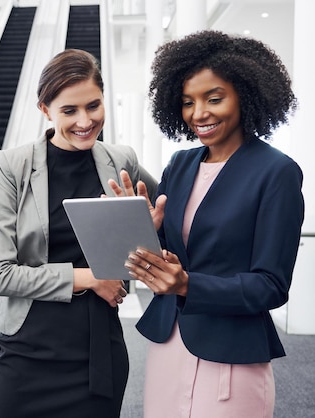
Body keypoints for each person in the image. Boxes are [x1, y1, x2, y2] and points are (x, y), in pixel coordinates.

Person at [121, 30, 304, 417]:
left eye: (214, 98)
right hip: (170, 340)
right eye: (187, 102)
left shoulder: (276, 172)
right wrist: (140, 228)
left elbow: (271, 285)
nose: (198, 113)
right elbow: (173, 254)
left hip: (232, 353)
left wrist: (188, 284)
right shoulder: (180, 164)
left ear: (246, 94)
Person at [0, 49, 157, 418]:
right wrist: (91, 279)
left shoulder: (121, 159)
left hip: (97, 348)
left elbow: (169, 213)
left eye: (93, 106)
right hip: (27, 346)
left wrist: (148, 233)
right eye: (69, 111)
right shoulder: (12, 166)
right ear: (45, 109)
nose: (84, 121)